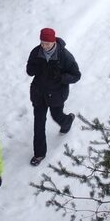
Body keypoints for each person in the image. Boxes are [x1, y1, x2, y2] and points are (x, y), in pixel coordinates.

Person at [26, 26, 81, 165]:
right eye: (42, 43)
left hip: (56, 94)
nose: (44, 46)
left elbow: (76, 75)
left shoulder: (64, 55)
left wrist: (62, 77)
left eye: (47, 43)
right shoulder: (36, 52)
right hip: (39, 93)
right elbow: (29, 70)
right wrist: (35, 68)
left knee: (57, 116)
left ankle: (67, 121)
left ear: (54, 42)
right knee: (38, 124)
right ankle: (39, 154)